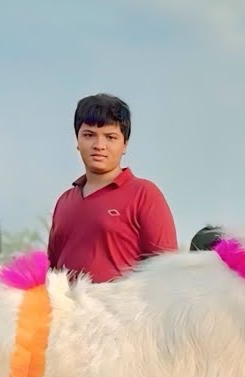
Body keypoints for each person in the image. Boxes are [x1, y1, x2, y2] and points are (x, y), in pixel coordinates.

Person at [46, 93, 177, 282]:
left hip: (123, 302)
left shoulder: (144, 194)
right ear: (77, 141)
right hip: (65, 301)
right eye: (89, 135)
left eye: (110, 137)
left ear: (125, 144)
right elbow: (52, 271)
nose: (99, 145)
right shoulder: (64, 201)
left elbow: (167, 270)